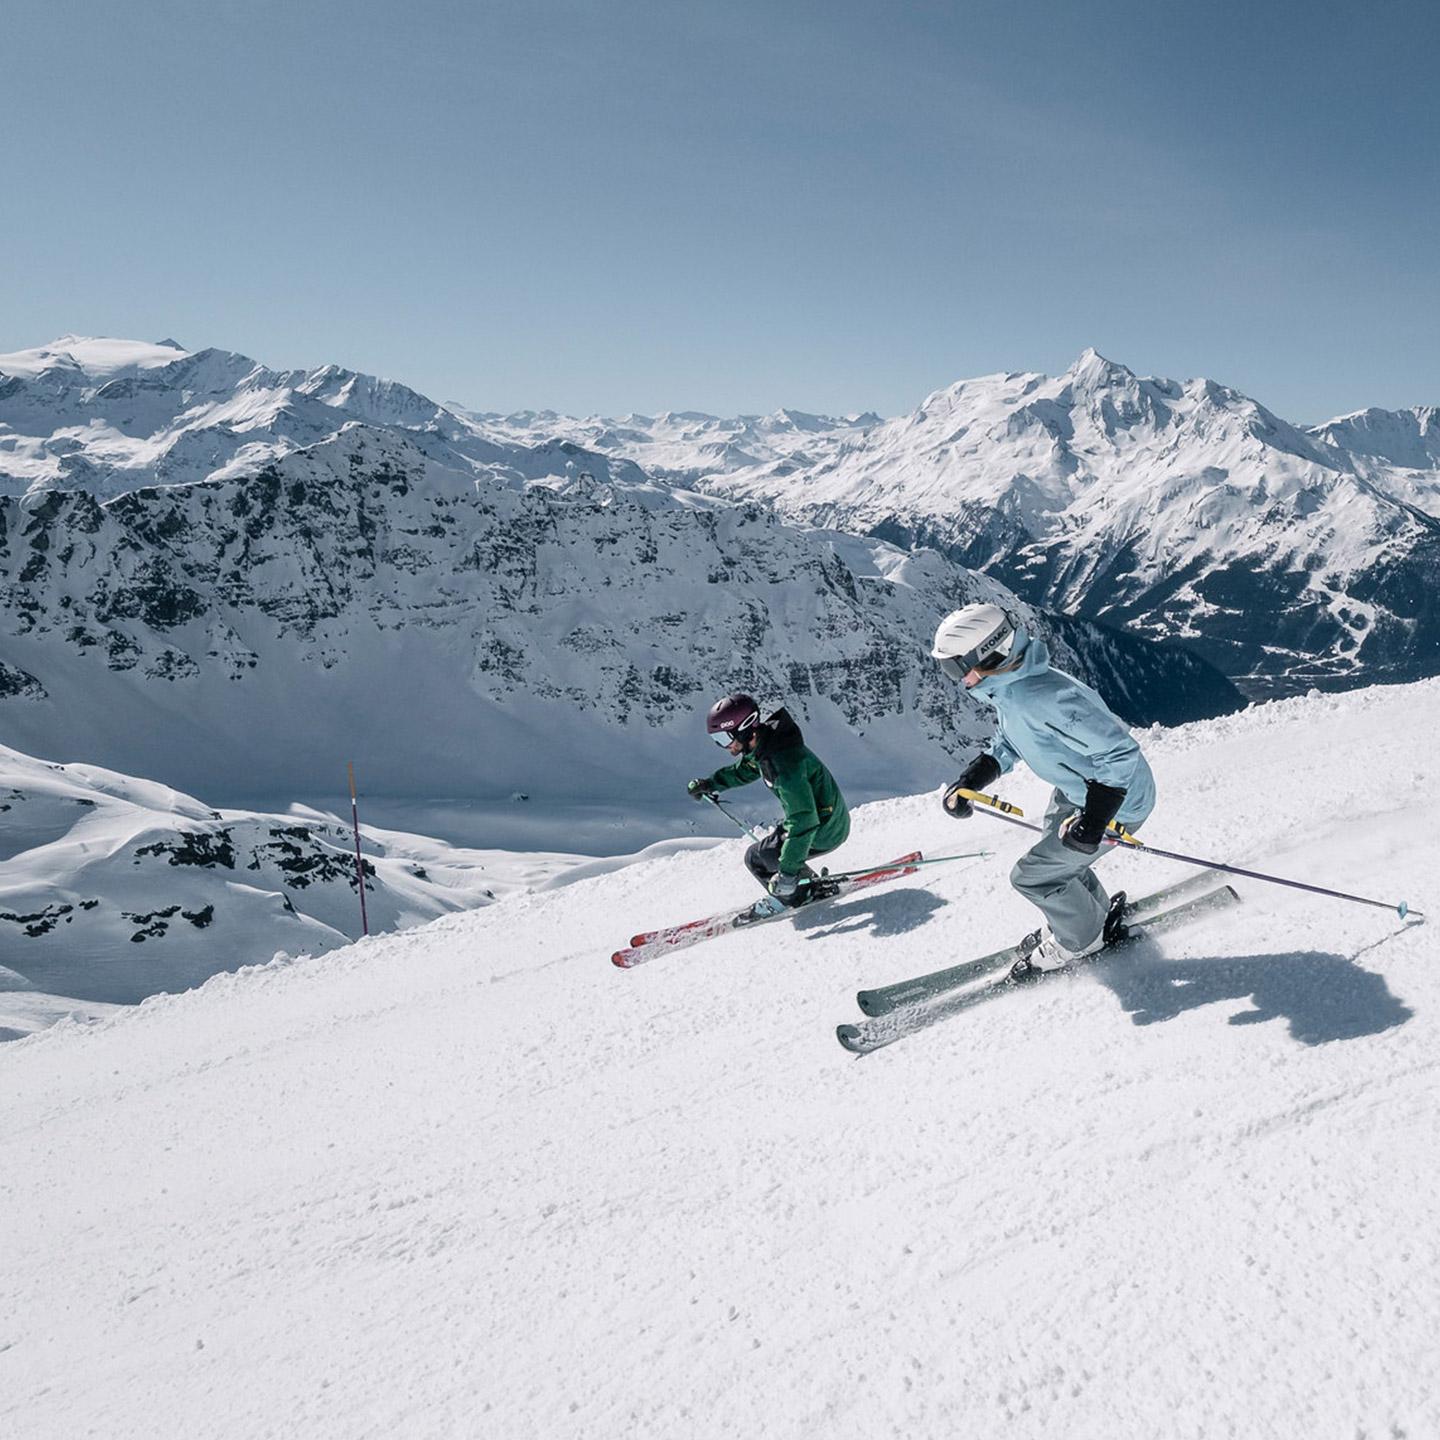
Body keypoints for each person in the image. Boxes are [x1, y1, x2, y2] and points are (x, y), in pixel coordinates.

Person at [931, 603, 1156, 977]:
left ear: (990, 652)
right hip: (1077, 790)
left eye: (956, 666)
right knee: (1060, 860)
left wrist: (1095, 821)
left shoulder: (1042, 697)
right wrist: (973, 779)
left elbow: (1119, 752)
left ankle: (1082, 939)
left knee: (1033, 876)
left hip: (1118, 801)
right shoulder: (1011, 688)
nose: (955, 678)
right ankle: (1091, 917)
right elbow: (1012, 739)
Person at [687, 693, 851, 907]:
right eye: (717, 741)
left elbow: (804, 820)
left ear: (745, 730)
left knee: (759, 858)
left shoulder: (782, 765)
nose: (725, 747)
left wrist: (787, 874)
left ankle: (802, 895)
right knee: (761, 855)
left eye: (724, 739)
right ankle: (807, 886)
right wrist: (712, 783)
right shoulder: (768, 744)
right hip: (826, 819)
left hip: (825, 829)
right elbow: (746, 769)